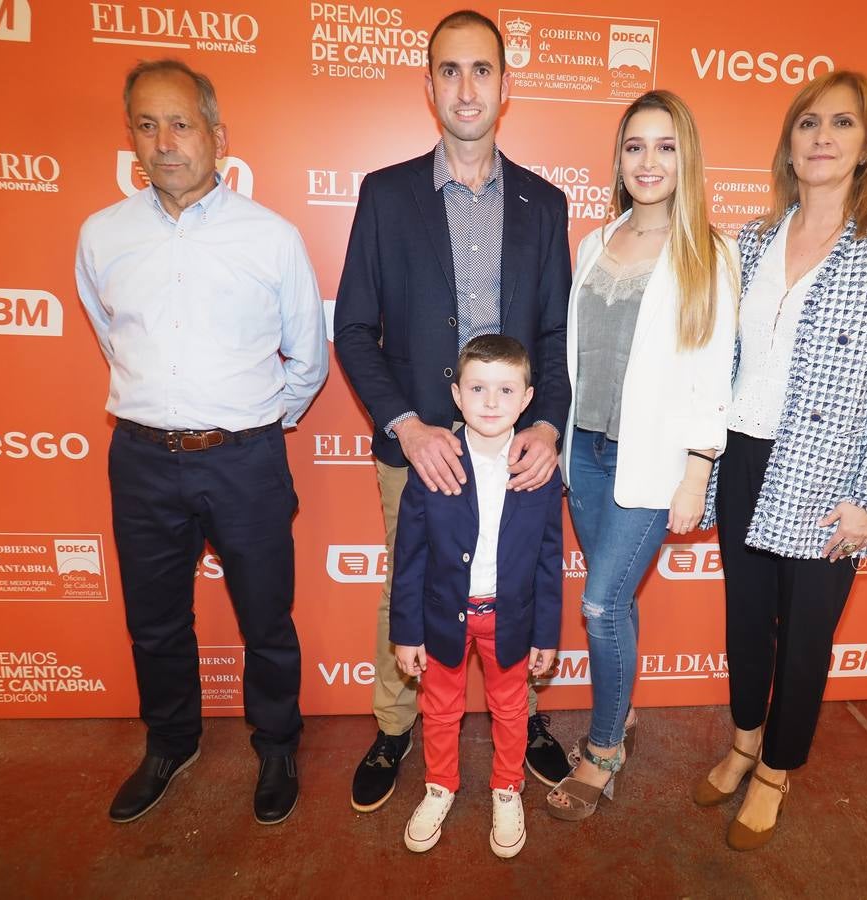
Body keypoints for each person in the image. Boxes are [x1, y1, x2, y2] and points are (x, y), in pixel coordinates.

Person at [75, 59, 328, 826]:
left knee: (265, 615)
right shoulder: (102, 235)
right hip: (143, 458)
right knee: (153, 619)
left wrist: (250, 423)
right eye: (146, 126)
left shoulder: (272, 237)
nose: (165, 143)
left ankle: (278, 740)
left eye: (181, 123)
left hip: (245, 459)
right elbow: (111, 337)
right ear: (132, 139)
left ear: (216, 135)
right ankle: (170, 741)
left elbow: (307, 359)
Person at [334, 9, 572, 812]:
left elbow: (554, 332)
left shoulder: (543, 203)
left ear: (506, 87)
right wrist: (406, 421)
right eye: (448, 70)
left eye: (481, 70)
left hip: (519, 447)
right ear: (428, 84)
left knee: (515, 582)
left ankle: (527, 719)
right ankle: (396, 729)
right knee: (410, 587)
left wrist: (546, 425)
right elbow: (354, 328)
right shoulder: (386, 194)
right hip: (422, 445)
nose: (465, 87)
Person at [691, 70, 867, 850]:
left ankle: (776, 770)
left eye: (841, 125)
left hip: (830, 474)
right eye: (808, 124)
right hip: (747, 457)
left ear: (866, 147)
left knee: (804, 634)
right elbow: (725, 361)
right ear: (788, 143)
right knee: (744, 621)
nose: (822, 138)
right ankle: (741, 743)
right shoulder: (756, 238)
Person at [546, 90, 738, 821]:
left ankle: (603, 750)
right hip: (588, 454)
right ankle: (619, 711)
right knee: (616, 601)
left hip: (654, 464)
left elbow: (712, 366)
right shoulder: (597, 242)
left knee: (597, 603)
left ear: (685, 157)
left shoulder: (709, 251)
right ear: (618, 159)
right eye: (634, 146)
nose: (648, 161)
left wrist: (697, 471)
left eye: (664, 146)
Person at [390, 335, 563, 858]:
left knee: (511, 710)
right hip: (443, 616)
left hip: (509, 618)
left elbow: (549, 561)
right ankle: (440, 784)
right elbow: (410, 557)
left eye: (506, 389)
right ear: (457, 395)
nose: (491, 402)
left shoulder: (539, 471)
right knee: (440, 709)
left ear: (527, 398)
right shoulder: (433, 464)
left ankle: (507, 787)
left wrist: (545, 634)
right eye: (478, 388)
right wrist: (406, 633)